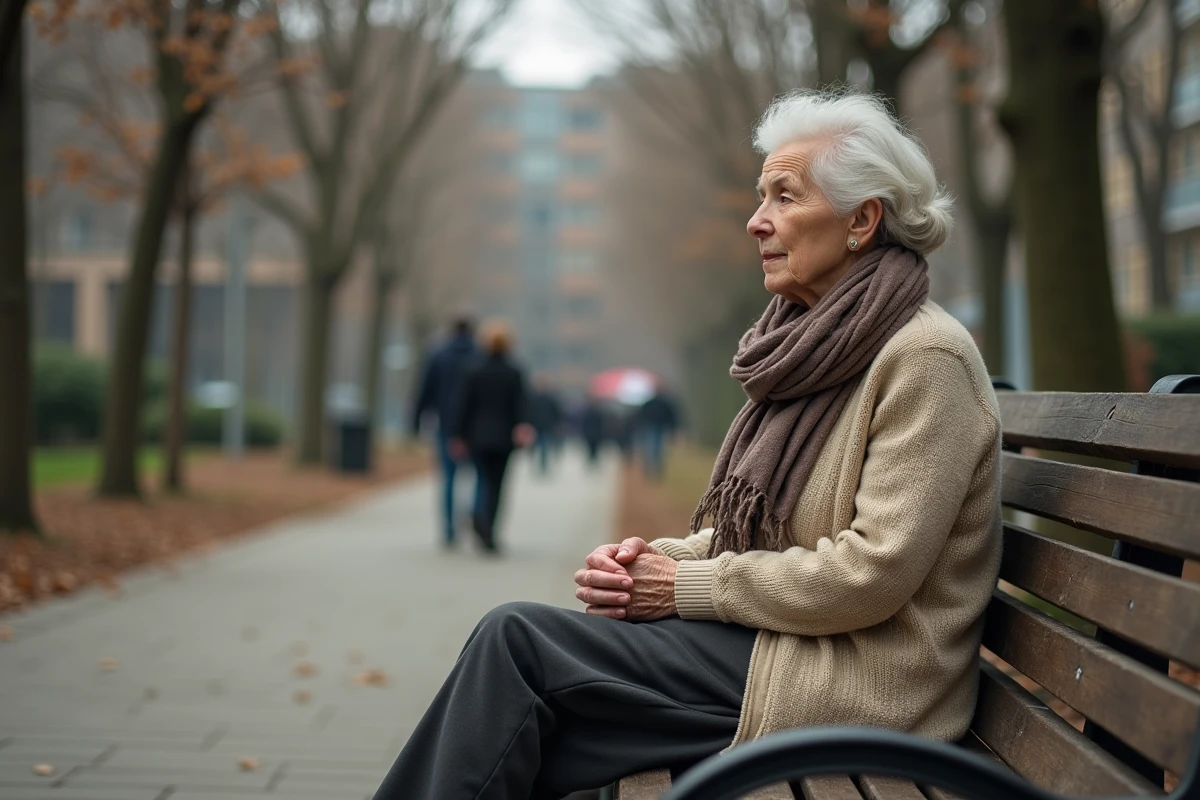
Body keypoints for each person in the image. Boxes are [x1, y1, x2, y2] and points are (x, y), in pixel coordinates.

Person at [374, 90, 1003, 800]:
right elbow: (776, 534)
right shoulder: (819, 347)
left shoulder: (923, 358)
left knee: (516, 643)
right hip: (791, 648)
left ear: (862, 220)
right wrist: (654, 561)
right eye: (761, 196)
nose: (755, 221)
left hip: (862, 682)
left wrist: (681, 587)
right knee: (542, 731)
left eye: (783, 197)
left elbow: (871, 573)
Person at [449, 320, 535, 555]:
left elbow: (464, 405)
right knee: (498, 486)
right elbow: (522, 404)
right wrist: (524, 426)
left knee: (482, 479)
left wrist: (458, 435)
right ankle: (489, 532)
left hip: (477, 436)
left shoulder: (473, 369)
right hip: (504, 438)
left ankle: (478, 516)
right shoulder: (514, 371)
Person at [410, 316, 479, 548]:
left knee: (448, 477)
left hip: (446, 424)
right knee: (479, 475)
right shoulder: (479, 355)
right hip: (475, 427)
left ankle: (449, 528)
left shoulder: (438, 355)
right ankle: (477, 516)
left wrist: (416, 420)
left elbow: (425, 389)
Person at [635, 389, 679, 481]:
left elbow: (671, 416)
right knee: (654, 449)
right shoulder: (661, 403)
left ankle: (653, 469)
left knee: (652, 449)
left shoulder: (653, 403)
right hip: (652, 428)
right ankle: (653, 469)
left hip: (657, 428)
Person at [526, 376, 564, 476]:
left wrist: (556, 424)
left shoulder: (549, 399)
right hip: (534, 427)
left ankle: (542, 466)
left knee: (544, 447)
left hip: (546, 426)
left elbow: (556, 412)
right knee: (533, 447)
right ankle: (535, 465)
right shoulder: (532, 398)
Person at [579, 399, 606, 468]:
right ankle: (592, 461)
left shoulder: (595, 415)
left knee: (594, 449)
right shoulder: (593, 415)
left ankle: (593, 461)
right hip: (592, 434)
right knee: (591, 449)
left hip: (593, 434)